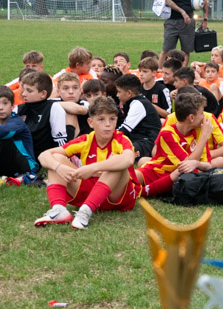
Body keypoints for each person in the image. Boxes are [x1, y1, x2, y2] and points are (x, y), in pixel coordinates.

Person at [34, 97, 141, 230]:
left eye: (112, 119)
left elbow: (128, 160)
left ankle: (85, 212)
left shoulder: (121, 139)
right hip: (92, 191)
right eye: (101, 119)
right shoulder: (85, 140)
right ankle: (59, 210)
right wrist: (59, 167)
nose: (108, 124)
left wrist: (92, 168)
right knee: (55, 158)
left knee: (117, 162)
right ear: (90, 122)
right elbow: (43, 155)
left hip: (117, 196)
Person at [135, 91, 213, 198]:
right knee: (129, 181)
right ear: (191, 118)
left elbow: (207, 165)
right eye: (201, 113)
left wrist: (197, 164)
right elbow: (187, 165)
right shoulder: (167, 133)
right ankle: (146, 191)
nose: (204, 117)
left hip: (181, 174)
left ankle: (152, 190)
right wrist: (204, 137)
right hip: (157, 172)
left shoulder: (199, 130)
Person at [162, 0, 210, 68]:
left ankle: (183, 72)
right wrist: (182, 12)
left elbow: (204, 1)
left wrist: (205, 19)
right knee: (166, 50)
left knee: (186, 51)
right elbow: (168, 1)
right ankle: (162, 71)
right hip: (172, 21)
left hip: (188, 22)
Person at [0, 85, 39, 179]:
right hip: (3, 164)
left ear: (12, 106)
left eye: (5, 103)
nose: (1, 107)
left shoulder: (17, 122)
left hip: (24, 165)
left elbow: (5, 131)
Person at [16, 71, 68, 159]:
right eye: (23, 90)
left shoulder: (53, 108)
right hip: (21, 155)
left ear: (43, 94)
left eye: (29, 91)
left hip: (44, 156)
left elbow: (60, 140)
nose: (23, 94)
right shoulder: (18, 109)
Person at [114, 74, 161, 160]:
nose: (117, 95)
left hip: (148, 142)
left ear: (129, 93)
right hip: (139, 139)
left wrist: (106, 139)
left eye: (119, 92)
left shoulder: (138, 104)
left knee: (121, 152)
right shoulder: (134, 102)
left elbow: (124, 129)